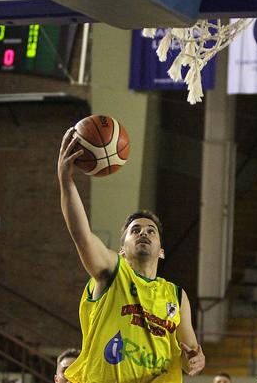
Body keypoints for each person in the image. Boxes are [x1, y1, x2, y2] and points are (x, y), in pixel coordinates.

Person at [57, 128, 205, 383]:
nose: (143, 233)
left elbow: (189, 352)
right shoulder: (113, 272)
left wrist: (195, 360)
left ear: (161, 251)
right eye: (135, 230)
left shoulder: (177, 296)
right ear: (122, 248)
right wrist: (66, 181)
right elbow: (82, 235)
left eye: (151, 231)